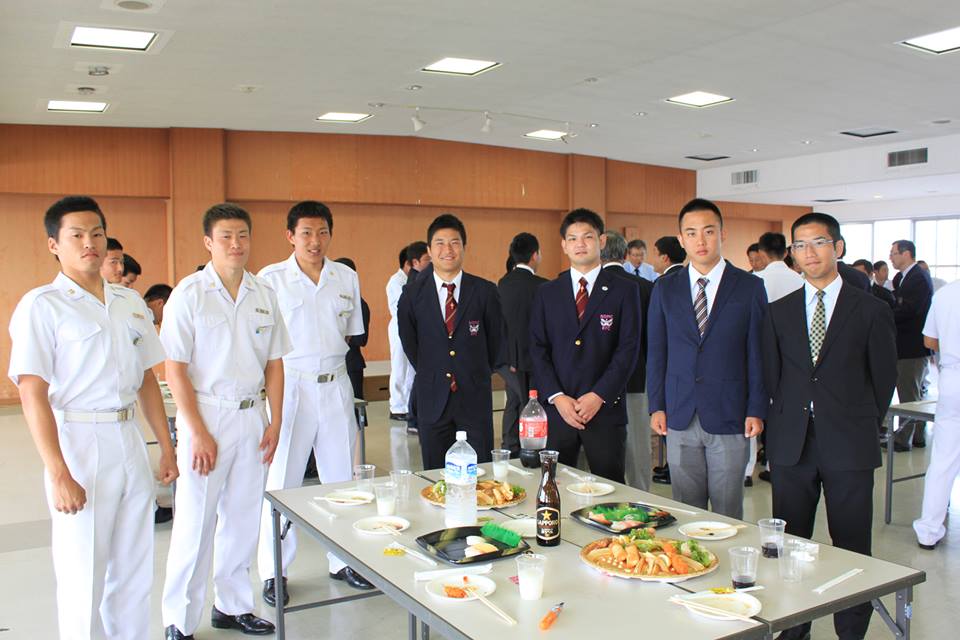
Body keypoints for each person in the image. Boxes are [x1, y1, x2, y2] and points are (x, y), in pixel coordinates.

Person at [8, 195, 178, 640]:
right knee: (83, 569)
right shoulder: (42, 306)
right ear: (54, 244)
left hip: (128, 438)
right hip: (79, 440)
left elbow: (146, 379)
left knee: (134, 565)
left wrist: (166, 446)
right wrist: (59, 472)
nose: (90, 243)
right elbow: (32, 392)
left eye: (97, 233)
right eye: (77, 235)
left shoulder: (129, 302)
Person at [762, 212, 897, 640]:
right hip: (792, 445)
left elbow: (884, 379)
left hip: (849, 444)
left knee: (853, 547)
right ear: (792, 254)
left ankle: (850, 632)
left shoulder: (871, 309)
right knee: (788, 544)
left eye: (818, 242)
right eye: (800, 245)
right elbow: (773, 377)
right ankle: (793, 628)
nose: (809, 253)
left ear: (837, 247)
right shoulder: (778, 312)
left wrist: (853, 421)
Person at [161, 203, 290, 640]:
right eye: (226, 237)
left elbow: (275, 363)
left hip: (252, 416)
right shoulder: (190, 293)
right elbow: (174, 368)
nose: (236, 244)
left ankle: (232, 606)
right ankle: (179, 619)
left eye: (242, 236)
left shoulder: (263, 293)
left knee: (243, 516)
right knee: (195, 522)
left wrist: (274, 421)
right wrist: (196, 431)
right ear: (208, 242)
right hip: (206, 415)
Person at [255, 202, 373, 603]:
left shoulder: (346, 277)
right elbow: (262, 342)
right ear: (290, 236)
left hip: (336, 384)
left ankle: (343, 561)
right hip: (291, 386)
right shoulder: (271, 279)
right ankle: (275, 571)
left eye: (322, 232)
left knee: (342, 481)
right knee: (283, 482)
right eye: (306, 233)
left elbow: (350, 333)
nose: (315, 241)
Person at [646, 198, 767, 519]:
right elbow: (657, 352)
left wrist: (756, 408)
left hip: (730, 413)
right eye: (691, 233)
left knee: (728, 510)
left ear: (722, 234)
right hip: (679, 411)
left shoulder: (750, 286)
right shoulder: (665, 288)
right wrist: (656, 405)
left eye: (709, 231)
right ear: (681, 239)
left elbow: (757, 353)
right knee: (687, 509)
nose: (701, 240)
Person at [528, 209, 641, 483]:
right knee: (554, 487)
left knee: (610, 489)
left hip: (605, 410)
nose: (580, 244)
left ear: (601, 241)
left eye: (587, 237)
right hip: (558, 411)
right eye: (572, 238)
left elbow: (628, 349)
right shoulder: (547, 292)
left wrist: (599, 395)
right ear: (564, 245)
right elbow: (538, 349)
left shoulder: (624, 290)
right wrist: (557, 396)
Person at [398, 214, 503, 468]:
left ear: (464, 247)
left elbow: (497, 342)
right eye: (440, 243)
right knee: (435, 474)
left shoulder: (485, 291)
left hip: (474, 398)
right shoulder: (412, 295)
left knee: (479, 473)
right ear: (429, 250)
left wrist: (472, 370)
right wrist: (434, 370)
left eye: (455, 242)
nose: (448, 250)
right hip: (432, 398)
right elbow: (410, 343)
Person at [600, 231, 654, 489]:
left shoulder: (590, 286)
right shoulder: (646, 287)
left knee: (599, 444)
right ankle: (642, 495)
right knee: (638, 443)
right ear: (625, 255)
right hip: (636, 376)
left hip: (596, 382)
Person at [750, 231, 804, 485]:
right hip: (793, 356)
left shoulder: (755, 281)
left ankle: (747, 470)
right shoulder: (799, 279)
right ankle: (776, 463)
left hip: (759, 353)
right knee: (784, 410)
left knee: (753, 410)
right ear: (787, 252)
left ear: (761, 252)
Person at [913, 279, 960, 550]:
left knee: (943, 460)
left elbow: (929, 340)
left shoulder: (945, 294)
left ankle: (928, 531)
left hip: (952, 378)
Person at [497, 232, 548, 456]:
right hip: (535, 357)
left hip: (510, 358)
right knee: (532, 402)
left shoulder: (503, 283)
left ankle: (509, 445)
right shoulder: (543, 285)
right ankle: (530, 446)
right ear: (534, 255)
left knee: (514, 400)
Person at [888, 239, 934, 451]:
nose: (891, 258)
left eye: (894, 253)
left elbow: (910, 310)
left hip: (912, 346)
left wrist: (885, 315)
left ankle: (904, 439)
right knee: (912, 393)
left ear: (906, 254)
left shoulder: (917, 278)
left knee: (909, 396)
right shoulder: (905, 277)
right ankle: (916, 436)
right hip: (906, 345)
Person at [403, 240, 431, 435]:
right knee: (419, 379)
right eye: (427, 259)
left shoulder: (420, 278)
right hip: (421, 340)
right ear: (415, 262)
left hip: (422, 340)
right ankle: (413, 419)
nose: (431, 263)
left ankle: (414, 418)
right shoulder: (415, 282)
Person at [336, 257, 371, 401]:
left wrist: (342, 334)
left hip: (351, 364)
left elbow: (362, 339)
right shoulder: (331, 301)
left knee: (355, 407)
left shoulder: (360, 304)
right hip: (334, 364)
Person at [386, 248, 413, 421]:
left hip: (412, 328)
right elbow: (404, 306)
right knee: (399, 367)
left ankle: (408, 404)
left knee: (410, 369)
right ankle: (397, 407)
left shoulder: (413, 280)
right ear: (409, 263)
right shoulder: (396, 281)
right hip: (399, 327)